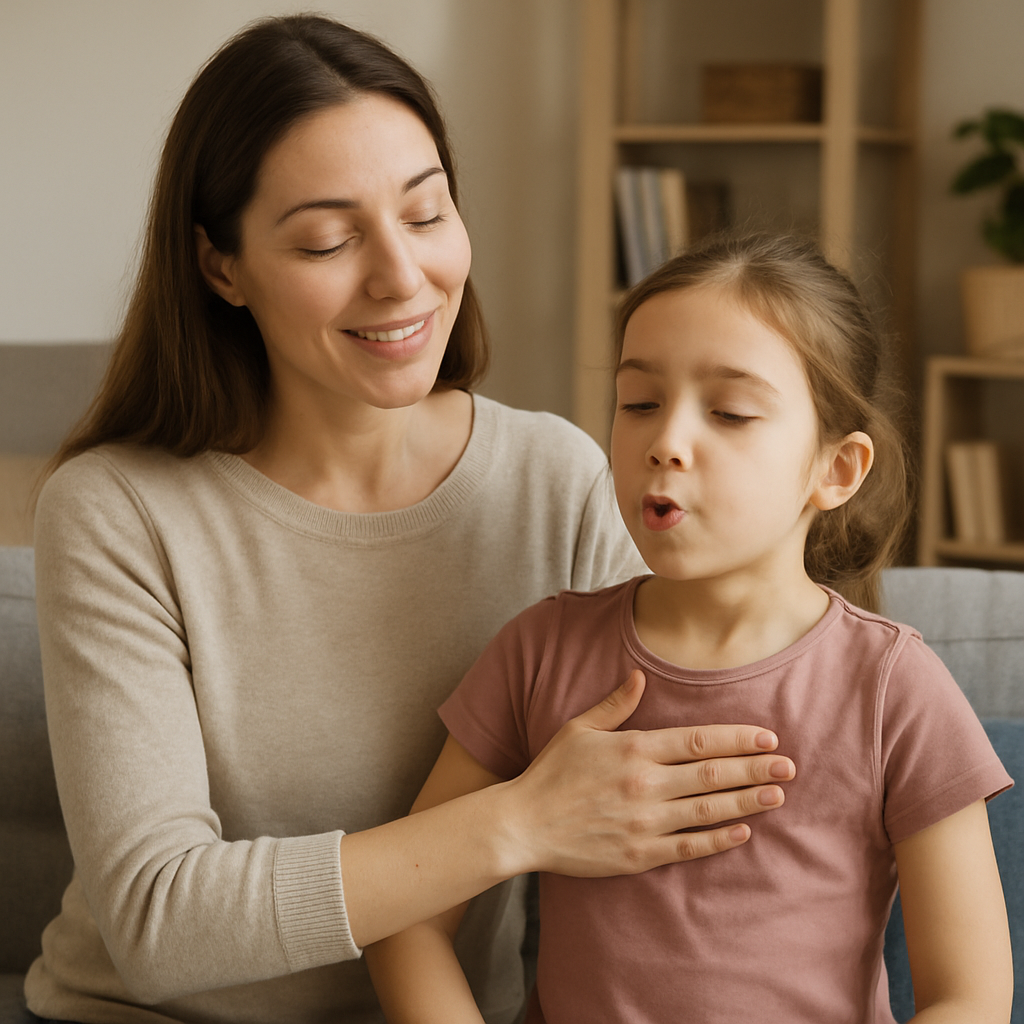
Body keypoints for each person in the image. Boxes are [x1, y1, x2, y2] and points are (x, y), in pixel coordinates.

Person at [27, 17, 797, 1024]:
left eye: (426, 214)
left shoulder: (554, 478)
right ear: (221, 267)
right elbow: (159, 919)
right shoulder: (119, 511)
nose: (401, 276)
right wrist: (520, 823)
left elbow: (689, 783)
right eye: (327, 240)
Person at [366, 234, 1015, 1024]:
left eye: (731, 412)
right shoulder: (538, 654)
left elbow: (971, 995)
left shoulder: (893, 688)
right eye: (639, 403)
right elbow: (404, 919)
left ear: (836, 469)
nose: (665, 443)